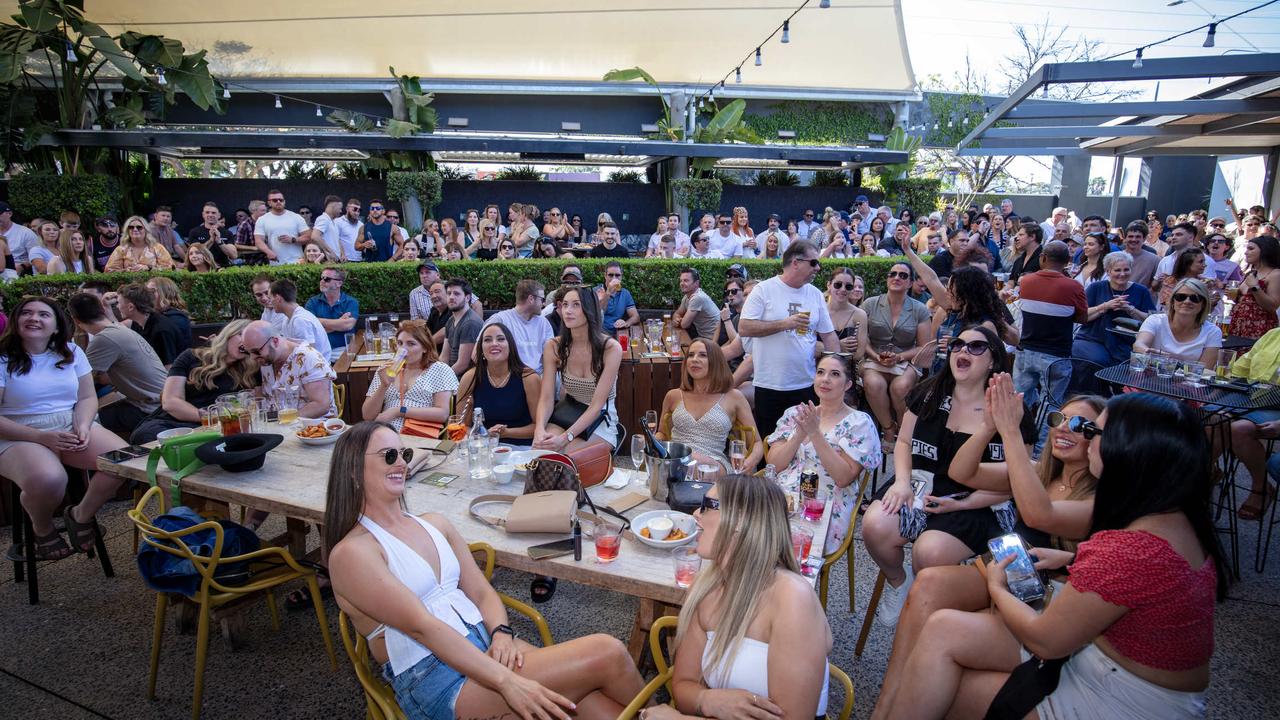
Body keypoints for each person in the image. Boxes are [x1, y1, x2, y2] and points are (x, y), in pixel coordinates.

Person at [881, 392, 1226, 720]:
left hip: (1121, 695)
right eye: (1061, 420)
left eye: (1093, 430)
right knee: (939, 636)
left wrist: (998, 587)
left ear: (1130, 450)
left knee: (940, 684)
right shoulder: (1173, 520)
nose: (1084, 437)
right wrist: (1073, 562)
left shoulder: (1130, 547)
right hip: (1108, 663)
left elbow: (1046, 640)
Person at [325, 421, 646, 720]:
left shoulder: (435, 523)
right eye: (389, 455)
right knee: (608, 652)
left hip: (486, 646)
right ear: (354, 470)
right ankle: (663, 713)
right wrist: (506, 681)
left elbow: (481, 592)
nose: (401, 463)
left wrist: (502, 633)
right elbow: (423, 627)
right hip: (436, 678)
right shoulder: (353, 554)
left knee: (600, 708)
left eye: (404, 454)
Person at [874, 386, 1105, 717]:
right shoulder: (1039, 471)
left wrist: (1011, 431)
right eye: (1059, 419)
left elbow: (1043, 514)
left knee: (943, 629)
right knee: (928, 584)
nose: (1064, 428)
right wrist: (988, 427)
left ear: (1100, 439)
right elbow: (962, 472)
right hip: (1008, 572)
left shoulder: (1100, 496)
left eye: (1080, 425)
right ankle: (886, 706)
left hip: (1048, 600)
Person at [862, 325, 1035, 627]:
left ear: (994, 360)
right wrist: (901, 482)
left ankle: (922, 601)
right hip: (920, 481)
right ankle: (899, 582)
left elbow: (1018, 479)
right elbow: (903, 442)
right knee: (875, 526)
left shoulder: (1010, 408)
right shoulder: (930, 391)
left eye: (976, 347)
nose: (963, 351)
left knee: (929, 552)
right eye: (957, 345)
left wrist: (963, 505)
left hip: (978, 501)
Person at [641, 473, 832, 720]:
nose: (696, 514)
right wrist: (707, 699)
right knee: (605, 667)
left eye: (707, 506)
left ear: (740, 519)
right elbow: (684, 685)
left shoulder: (791, 598)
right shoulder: (706, 587)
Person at [0, 297, 128, 559]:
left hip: (68, 424)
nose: (34, 318)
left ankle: (80, 515)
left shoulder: (71, 351)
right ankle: (43, 528)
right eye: (26, 313)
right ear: (16, 320)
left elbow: (86, 398)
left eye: (43, 314)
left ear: (57, 325)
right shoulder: (2, 358)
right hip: (16, 432)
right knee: (50, 479)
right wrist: (41, 437)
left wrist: (82, 425)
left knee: (125, 460)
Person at [766, 353, 881, 553]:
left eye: (835, 374)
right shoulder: (796, 413)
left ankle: (789, 581)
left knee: (780, 542)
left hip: (824, 503)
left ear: (847, 385)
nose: (825, 379)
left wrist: (814, 433)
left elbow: (843, 477)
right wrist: (800, 433)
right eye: (821, 372)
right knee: (742, 530)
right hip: (782, 496)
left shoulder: (859, 422)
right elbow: (774, 465)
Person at [739, 241, 838, 439]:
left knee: (803, 442)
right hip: (769, 385)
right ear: (795, 262)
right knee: (770, 443)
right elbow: (744, 327)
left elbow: (829, 336)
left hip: (805, 383)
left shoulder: (816, 294)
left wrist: (839, 371)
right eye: (814, 262)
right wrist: (785, 323)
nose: (818, 267)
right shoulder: (764, 290)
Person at [131, 320, 259, 443]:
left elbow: (257, 403)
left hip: (220, 427)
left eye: (249, 340)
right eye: (241, 334)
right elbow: (170, 402)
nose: (244, 342)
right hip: (172, 422)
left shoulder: (252, 369)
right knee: (149, 435)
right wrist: (208, 417)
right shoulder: (191, 357)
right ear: (228, 334)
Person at [67, 293, 166, 441]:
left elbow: (78, 381)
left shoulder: (103, 339)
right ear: (102, 310)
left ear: (76, 321)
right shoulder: (119, 329)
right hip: (159, 401)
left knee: (78, 421)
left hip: (148, 409)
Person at [534, 286, 622, 452]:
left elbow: (596, 406)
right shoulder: (553, 346)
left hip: (601, 418)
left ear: (590, 309)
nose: (568, 310)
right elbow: (546, 397)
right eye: (565, 305)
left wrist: (566, 438)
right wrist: (539, 429)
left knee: (566, 457)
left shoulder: (610, 348)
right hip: (568, 412)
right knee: (541, 453)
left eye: (576, 305)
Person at [1013, 241, 1088, 432]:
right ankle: (1040, 451)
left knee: (1019, 399)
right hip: (1056, 355)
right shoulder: (1074, 287)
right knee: (1051, 406)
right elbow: (1082, 317)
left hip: (1026, 351)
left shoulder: (1026, 281)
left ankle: (1017, 437)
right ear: (1067, 260)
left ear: (1043, 257)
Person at [657, 339, 761, 471]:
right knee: (678, 463)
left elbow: (757, 442)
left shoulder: (733, 397)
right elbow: (662, 433)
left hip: (715, 464)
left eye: (702, 355)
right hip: (677, 460)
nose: (694, 359)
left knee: (692, 461)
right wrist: (653, 443)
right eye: (691, 355)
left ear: (715, 362)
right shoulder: (673, 395)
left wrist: (750, 462)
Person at [860, 262, 931, 443]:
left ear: (910, 283)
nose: (897, 278)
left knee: (900, 387)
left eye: (903, 275)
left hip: (906, 359)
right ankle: (888, 428)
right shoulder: (870, 304)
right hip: (874, 358)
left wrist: (899, 357)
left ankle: (904, 431)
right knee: (873, 384)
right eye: (893, 274)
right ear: (887, 279)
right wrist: (875, 356)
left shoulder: (919, 309)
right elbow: (862, 339)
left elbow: (924, 346)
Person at [362, 320, 456, 433]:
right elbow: (367, 416)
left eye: (411, 344)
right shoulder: (386, 369)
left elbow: (443, 414)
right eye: (400, 343)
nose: (403, 349)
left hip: (418, 435)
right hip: (384, 433)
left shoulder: (439, 369)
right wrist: (384, 385)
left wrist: (399, 411)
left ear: (425, 348)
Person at [1226, 326, 1280, 519]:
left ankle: (1260, 488)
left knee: (1239, 429)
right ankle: (1204, 479)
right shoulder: (1273, 334)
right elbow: (1240, 368)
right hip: (1256, 399)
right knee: (1212, 419)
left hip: (1275, 409)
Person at [458, 322, 541, 446]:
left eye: (501, 339)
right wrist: (483, 434)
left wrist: (506, 433)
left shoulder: (529, 377)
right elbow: (461, 426)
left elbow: (539, 427)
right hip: (483, 446)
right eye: (487, 340)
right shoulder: (470, 377)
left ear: (510, 346)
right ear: (481, 349)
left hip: (521, 448)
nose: (494, 343)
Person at [1072, 251, 1156, 367]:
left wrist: (1130, 309)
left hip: (1125, 342)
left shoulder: (1141, 291)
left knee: (1124, 365)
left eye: (1126, 270)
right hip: (1093, 339)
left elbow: (1152, 320)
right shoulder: (1096, 287)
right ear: (1108, 271)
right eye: (1117, 270)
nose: (1122, 274)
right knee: (1097, 361)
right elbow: (1080, 316)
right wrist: (1105, 306)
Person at [242, 320, 338, 419]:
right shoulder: (266, 359)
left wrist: (282, 421)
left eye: (256, 351)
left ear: (275, 341)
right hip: (279, 427)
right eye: (248, 352)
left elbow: (321, 405)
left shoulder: (308, 358)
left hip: (313, 429)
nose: (252, 357)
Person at [1135, 278, 1221, 366]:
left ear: (1203, 304)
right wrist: (1146, 351)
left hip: (1190, 379)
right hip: (1149, 377)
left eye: (1195, 298)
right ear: (1172, 301)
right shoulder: (1155, 320)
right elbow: (1139, 344)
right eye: (1181, 297)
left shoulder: (1213, 332)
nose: (1187, 301)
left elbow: (1205, 370)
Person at [480, 280, 553, 374]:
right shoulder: (500, 320)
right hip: (510, 377)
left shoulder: (543, 323)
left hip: (538, 378)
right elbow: (476, 354)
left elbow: (549, 356)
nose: (543, 304)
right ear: (531, 299)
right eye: (542, 299)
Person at [116, 282, 185, 365]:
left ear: (131, 307)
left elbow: (168, 367)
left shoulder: (161, 330)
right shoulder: (139, 321)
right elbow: (114, 330)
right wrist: (106, 306)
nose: (117, 306)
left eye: (119, 303)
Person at [1230, 236, 1280, 339]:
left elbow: (1272, 307)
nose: (1245, 252)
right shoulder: (1251, 273)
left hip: (1258, 328)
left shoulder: (1276, 274)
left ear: (1265, 250)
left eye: (1251, 249)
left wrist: (1255, 287)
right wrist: (1234, 296)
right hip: (1238, 325)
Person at [269, 279, 332, 359]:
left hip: (317, 369)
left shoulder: (300, 320)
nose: (270, 302)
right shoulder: (287, 318)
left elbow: (309, 354)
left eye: (270, 298)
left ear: (278, 298)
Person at [305, 267, 359, 359]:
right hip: (319, 351)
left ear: (339, 283)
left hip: (344, 350)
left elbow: (347, 325)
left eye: (327, 279)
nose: (322, 281)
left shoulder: (350, 302)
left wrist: (317, 321)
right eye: (321, 278)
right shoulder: (312, 302)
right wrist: (338, 322)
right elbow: (310, 329)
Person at [254, 190, 314, 265]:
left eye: (281, 200)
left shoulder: (296, 217)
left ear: (284, 201)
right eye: (275, 200)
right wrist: (268, 252)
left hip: (297, 261)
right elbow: (258, 240)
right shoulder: (262, 219)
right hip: (276, 262)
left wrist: (293, 239)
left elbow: (308, 236)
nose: (278, 202)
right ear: (269, 203)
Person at [102, 216, 174, 273]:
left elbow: (171, 268)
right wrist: (126, 271)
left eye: (139, 227)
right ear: (127, 230)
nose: (135, 229)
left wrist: (149, 268)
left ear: (146, 230)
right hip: (128, 288)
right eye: (131, 227)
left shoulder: (157, 247)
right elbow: (109, 271)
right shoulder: (121, 249)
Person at [146, 276, 194, 351]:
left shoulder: (177, 319)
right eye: (146, 292)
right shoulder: (154, 315)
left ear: (165, 293)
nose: (147, 295)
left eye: (152, 291)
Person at [184, 201, 239, 266]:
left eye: (213, 213)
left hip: (223, 268)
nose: (210, 215)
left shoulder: (227, 233)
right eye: (207, 212)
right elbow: (195, 253)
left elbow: (234, 255)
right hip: (202, 269)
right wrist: (211, 240)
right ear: (203, 215)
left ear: (219, 215)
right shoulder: (194, 232)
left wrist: (220, 242)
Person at [673, 268, 721, 342]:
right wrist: (676, 318)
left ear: (696, 283)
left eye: (686, 280)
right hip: (703, 337)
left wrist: (679, 321)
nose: (682, 283)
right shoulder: (687, 296)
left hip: (714, 340)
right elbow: (678, 313)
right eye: (681, 281)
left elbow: (684, 324)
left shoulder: (698, 298)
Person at [600, 262, 639, 338]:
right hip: (600, 334)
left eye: (617, 275)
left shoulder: (625, 293)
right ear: (605, 276)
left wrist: (625, 323)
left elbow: (636, 316)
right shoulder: (597, 291)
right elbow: (598, 313)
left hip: (619, 333)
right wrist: (608, 292)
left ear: (621, 277)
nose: (614, 278)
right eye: (610, 275)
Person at [0, 201, 39, 274]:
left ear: (10, 214)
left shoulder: (26, 233)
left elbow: (37, 257)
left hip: (19, 271)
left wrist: (22, 266)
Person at [1008, 223, 1043, 288]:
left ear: (1032, 237)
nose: (1016, 238)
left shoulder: (1045, 259)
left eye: (1021, 235)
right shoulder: (1018, 260)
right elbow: (1011, 282)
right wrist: (1002, 293)